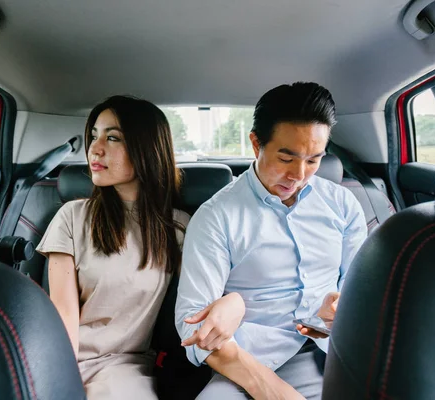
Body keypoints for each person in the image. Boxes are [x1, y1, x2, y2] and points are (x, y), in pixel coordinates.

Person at [36, 95, 245, 399]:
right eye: (93, 136)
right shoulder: (72, 216)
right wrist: (57, 381)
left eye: (113, 137)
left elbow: (206, 296)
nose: (95, 147)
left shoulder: (179, 227)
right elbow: (63, 314)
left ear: (146, 149)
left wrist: (235, 301)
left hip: (123, 367)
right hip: (61, 358)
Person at [175, 82, 368, 399]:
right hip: (247, 361)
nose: (299, 174)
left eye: (313, 159)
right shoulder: (216, 217)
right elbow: (193, 328)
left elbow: (360, 289)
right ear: (256, 144)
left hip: (337, 352)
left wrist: (348, 305)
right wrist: (271, 389)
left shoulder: (343, 205)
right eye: (286, 158)